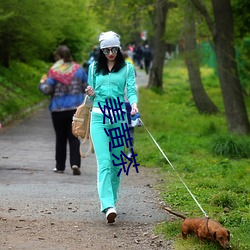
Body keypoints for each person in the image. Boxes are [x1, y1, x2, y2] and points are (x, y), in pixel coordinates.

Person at [85, 31, 139, 223]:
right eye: (106, 50)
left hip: (119, 119)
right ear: (101, 50)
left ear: (118, 48)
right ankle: (108, 205)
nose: (110, 53)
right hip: (99, 118)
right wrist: (90, 92)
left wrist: (133, 104)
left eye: (114, 49)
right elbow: (91, 97)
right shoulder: (93, 68)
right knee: (105, 163)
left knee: (117, 164)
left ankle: (112, 200)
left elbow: (131, 91)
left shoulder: (127, 68)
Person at [39, 45, 88, 175]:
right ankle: (75, 163)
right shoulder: (79, 70)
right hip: (75, 109)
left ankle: (60, 166)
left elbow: (47, 90)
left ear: (58, 57)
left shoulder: (54, 71)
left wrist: (42, 83)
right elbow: (86, 87)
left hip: (58, 109)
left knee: (60, 138)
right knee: (74, 137)